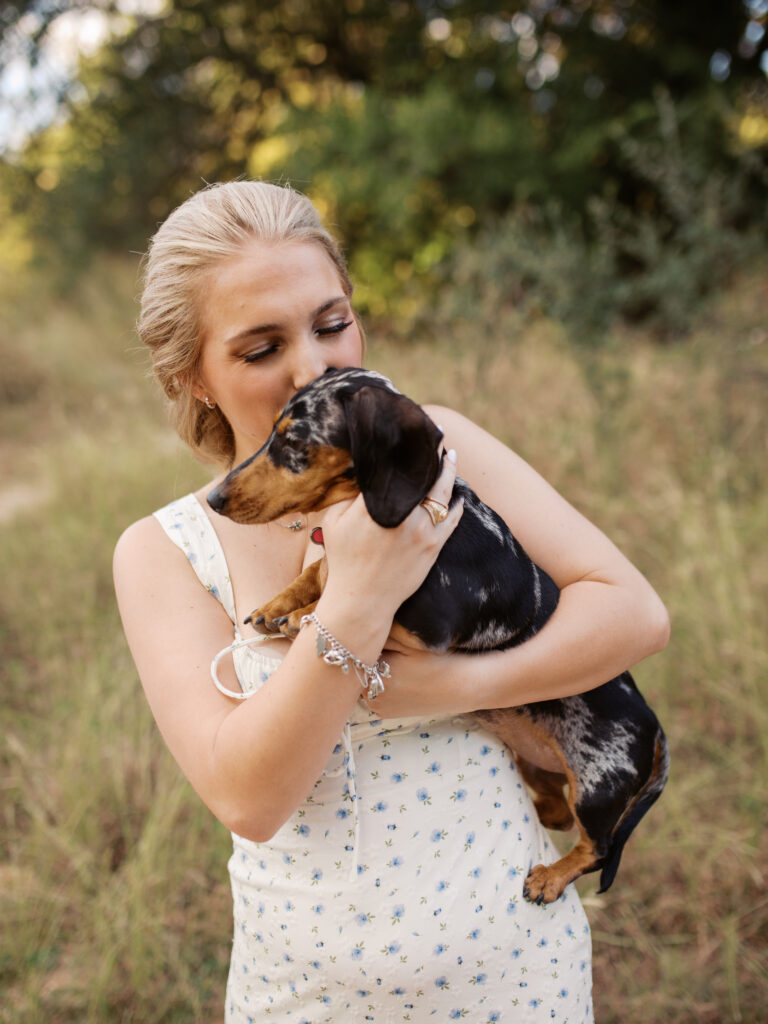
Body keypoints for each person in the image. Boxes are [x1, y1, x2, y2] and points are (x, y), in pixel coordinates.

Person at [114, 180, 669, 1023]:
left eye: (333, 323)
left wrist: (452, 687)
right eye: (262, 349)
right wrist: (363, 591)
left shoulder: (436, 447)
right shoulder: (165, 552)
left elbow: (635, 614)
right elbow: (249, 800)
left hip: (516, 977)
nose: (317, 366)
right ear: (193, 374)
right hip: (306, 996)